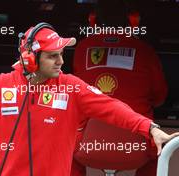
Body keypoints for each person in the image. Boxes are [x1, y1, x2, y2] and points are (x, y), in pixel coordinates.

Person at [0, 22, 178, 176]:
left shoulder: (72, 87)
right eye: (53, 55)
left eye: (62, 54)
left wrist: (150, 128)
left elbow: (113, 108)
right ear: (30, 58)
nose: (61, 61)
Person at [72, 0, 168, 175]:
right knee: (159, 148)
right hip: (136, 147)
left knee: (66, 146)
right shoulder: (145, 51)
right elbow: (160, 98)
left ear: (92, 20)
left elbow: (74, 96)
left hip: (88, 145)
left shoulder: (81, 48)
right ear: (133, 21)